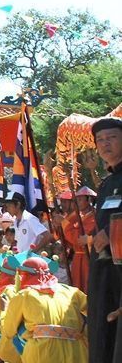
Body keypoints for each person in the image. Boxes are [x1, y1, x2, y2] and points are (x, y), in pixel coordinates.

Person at [1, 257, 88, 363]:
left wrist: (4, 310)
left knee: (17, 331)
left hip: (42, 353)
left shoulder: (24, 295)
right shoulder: (71, 291)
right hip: (77, 352)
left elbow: (8, 330)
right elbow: (94, 310)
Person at [87, 116, 122, 363]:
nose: (105, 144)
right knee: (102, 332)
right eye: (100, 140)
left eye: (111, 138)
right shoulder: (107, 182)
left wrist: (110, 234)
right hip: (104, 270)